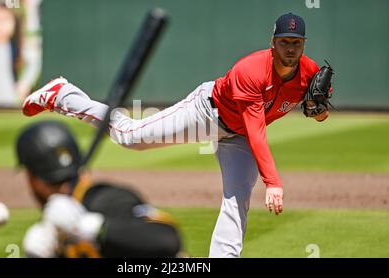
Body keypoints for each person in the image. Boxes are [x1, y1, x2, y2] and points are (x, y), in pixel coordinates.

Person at [21, 13, 333, 258]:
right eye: (285, 41)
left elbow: (320, 112)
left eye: (296, 42)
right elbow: (256, 128)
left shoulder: (310, 73)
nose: (290, 48)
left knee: (237, 198)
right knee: (129, 136)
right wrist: (273, 183)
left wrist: (317, 109)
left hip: (237, 138)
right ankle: (64, 95)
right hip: (207, 113)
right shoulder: (250, 71)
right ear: (273, 42)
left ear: (303, 43)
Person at [16, 120, 181, 258]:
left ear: (33, 179)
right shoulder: (54, 223)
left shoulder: (109, 199)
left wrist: (92, 227)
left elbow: (167, 241)